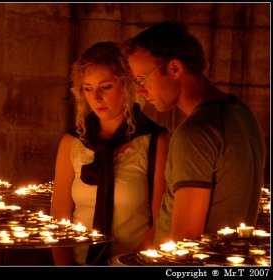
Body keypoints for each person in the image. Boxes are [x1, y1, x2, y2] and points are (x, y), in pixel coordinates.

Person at [123, 21, 266, 246]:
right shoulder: (242, 113)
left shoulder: (195, 133)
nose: (140, 91)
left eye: (142, 79)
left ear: (175, 69)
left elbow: (185, 242)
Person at [50, 41, 169, 265]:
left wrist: (133, 263)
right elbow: (58, 219)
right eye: (87, 88)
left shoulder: (155, 140)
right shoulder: (72, 142)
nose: (95, 97)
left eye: (105, 87)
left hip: (132, 263)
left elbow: (161, 221)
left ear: (127, 86)